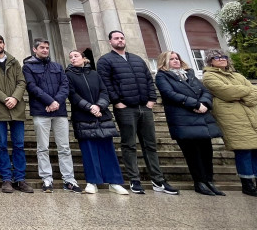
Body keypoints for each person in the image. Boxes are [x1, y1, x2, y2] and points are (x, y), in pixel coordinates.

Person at [96, 30, 179, 195]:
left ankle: (158, 180)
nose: (120, 40)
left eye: (122, 37)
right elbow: (105, 83)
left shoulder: (137, 59)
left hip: (144, 107)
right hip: (125, 108)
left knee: (150, 145)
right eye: (116, 38)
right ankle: (134, 180)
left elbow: (148, 79)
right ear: (110, 41)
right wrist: (117, 102)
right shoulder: (105, 61)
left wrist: (151, 99)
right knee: (129, 145)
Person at [202, 48, 257, 198]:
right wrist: (246, 91)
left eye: (223, 56)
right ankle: (247, 184)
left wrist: (243, 94)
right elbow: (226, 92)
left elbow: (255, 93)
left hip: (251, 117)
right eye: (217, 57)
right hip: (232, 118)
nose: (221, 59)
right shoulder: (209, 77)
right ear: (210, 61)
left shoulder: (237, 75)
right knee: (243, 150)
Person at [155, 50, 225, 196]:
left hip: (201, 117)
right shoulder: (162, 76)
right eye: (172, 59)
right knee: (192, 153)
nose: (176, 61)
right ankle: (199, 182)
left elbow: (205, 91)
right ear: (165, 62)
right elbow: (169, 94)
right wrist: (194, 104)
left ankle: (209, 181)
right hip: (182, 119)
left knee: (207, 151)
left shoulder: (190, 74)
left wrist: (204, 103)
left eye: (177, 58)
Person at [22, 38, 81, 193]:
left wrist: (56, 102)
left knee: (64, 147)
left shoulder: (57, 66)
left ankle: (69, 179)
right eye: (42, 47)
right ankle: (47, 179)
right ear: (35, 49)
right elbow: (31, 87)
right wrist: (49, 101)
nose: (45, 50)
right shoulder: (28, 67)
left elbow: (65, 85)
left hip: (59, 111)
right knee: (43, 148)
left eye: (47, 48)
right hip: (41, 111)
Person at [66, 50, 128, 194]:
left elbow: (104, 91)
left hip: (102, 115)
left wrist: (99, 106)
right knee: (89, 151)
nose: (73, 59)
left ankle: (114, 182)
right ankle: (92, 182)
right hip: (83, 116)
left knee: (108, 150)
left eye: (75, 56)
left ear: (83, 58)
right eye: (70, 57)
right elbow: (72, 95)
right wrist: (89, 107)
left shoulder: (95, 74)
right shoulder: (68, 75)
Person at [0, 34, 32, 193]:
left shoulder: (14, 61)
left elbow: (21, 81)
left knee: (19, 145)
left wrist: (15, 98)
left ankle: (20, 179)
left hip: (16, 108)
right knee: (1, 145)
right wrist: (5, 99)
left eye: (0, 42)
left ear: (4, 44)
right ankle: (6, 179)